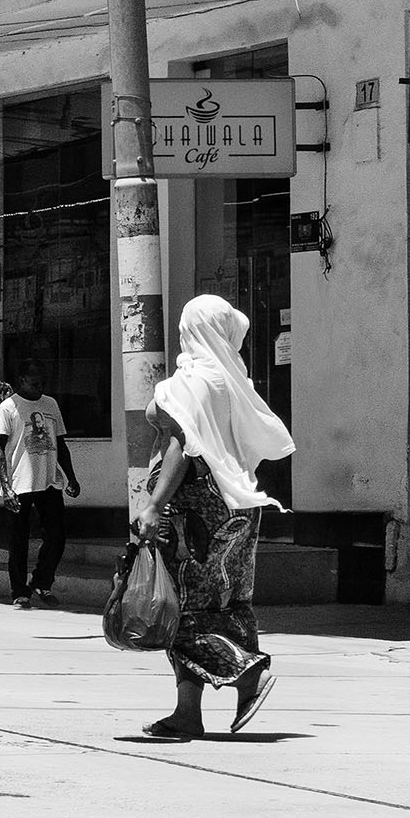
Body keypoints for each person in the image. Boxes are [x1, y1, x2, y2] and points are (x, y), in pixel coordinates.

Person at [134, 295, 289, 740]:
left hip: (196, 511)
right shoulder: (232, 378)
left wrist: (153, 505)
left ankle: (247, 676)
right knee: (231, 601)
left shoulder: (193, 382)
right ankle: (188, 712)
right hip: (239, 506)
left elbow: (182, 445)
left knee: (182, 607)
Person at [0, 361, 77, 607]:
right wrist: (6, 486)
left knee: (57, 535)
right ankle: (19, 592)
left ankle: (42, 581)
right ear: (21, 380)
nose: (39, 387)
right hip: (20, 483)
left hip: (49, 481)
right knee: (18, 540)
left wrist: (71, 476)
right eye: (34, 383)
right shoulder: (8, 408)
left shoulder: (50, 404)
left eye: (42, 383)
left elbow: (61, 444)